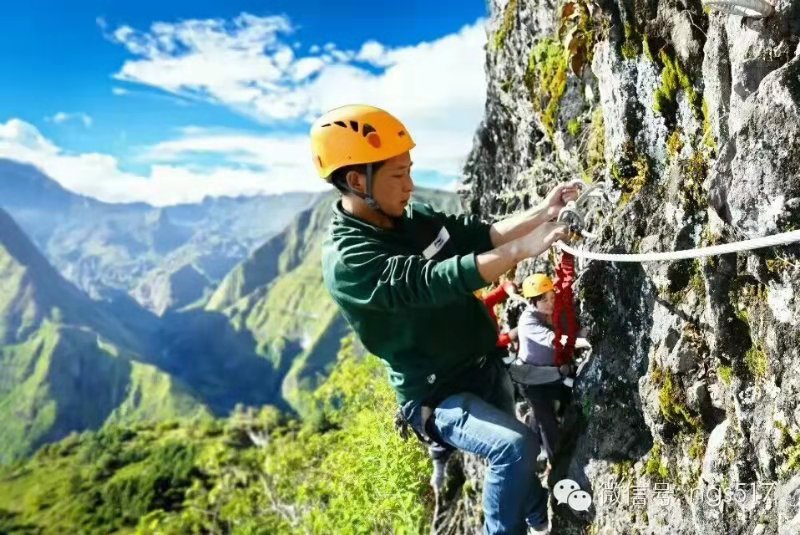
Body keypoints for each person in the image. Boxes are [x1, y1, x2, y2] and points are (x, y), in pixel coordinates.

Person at [313, 104, 578, 534]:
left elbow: (478, 235)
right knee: (515, 446)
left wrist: (543, 213)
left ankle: (542, 524)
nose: (410, 186)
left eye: (409, 171)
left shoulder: (409, 220)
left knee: (522, 466)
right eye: (398, 176)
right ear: (358, 180)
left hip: (483, 367)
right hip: (437, 395)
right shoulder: (349, 259)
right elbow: (430, 280)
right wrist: (524, 249)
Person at [515, 273, 591, 463]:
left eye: (552, 297)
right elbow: (554, 341)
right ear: (532, 301)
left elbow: (570, 330)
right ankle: (556, 466)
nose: (550, 303)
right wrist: (584, 341)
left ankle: (532, 422)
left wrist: (586, 332)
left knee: (567, 401)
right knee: (548, 424)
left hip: (553, 373)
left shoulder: (554, 313)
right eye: (544, 300)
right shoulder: (527, 321)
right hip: (531, 379)